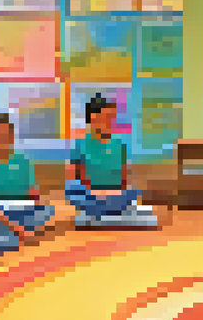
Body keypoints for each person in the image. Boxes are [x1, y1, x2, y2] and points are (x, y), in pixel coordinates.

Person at [65, 95, 157, 228]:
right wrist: (95, 192)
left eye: (111, 118)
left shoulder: (119, 144)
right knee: (72, 189)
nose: (110, 122)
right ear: (93, 118)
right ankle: (102, 213)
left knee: (133, 193)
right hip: (92, 197)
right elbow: (74, 178)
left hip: (116, 197)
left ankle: (110, 213)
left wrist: (116, 193)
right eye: (106, 117)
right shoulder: (80, 145)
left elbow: (124, 179)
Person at [0, 113, 55, 242]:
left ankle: (10, 231)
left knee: (48, 210)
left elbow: (33, 193)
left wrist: (31, 205)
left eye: (9, 134)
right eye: (2, 134)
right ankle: (12, 230)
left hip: (22, 208)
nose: (6, 138)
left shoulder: (22, 159)